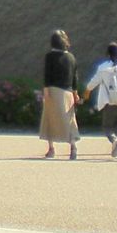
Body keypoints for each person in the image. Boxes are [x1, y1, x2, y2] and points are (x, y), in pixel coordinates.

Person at [81, 41, 117, 159]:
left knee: (107, 127)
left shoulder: (103, 68)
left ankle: (114, 139)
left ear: (108, 53)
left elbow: (93, 82)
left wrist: (86, 93)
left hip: (110, 101)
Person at [38, 29, 82, 160]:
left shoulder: (50, 56)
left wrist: (46, 91)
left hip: (54, 90)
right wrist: (75, 93)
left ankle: (51, 149)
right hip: (68, 92)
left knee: (50, 119)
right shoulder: (71, 57)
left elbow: (47, 75)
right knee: (69, 120)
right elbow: (75, 78)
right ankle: (73, 146)